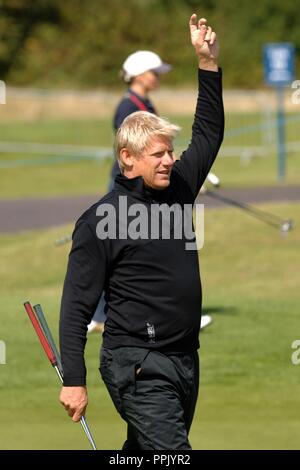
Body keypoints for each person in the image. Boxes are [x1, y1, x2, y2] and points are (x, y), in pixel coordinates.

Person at [59, 14, 224, 450]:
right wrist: (73, 380)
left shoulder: (179, 189)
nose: (169, 160)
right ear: (127, 159)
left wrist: (207, 65)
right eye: (158, 155)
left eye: (170, 152)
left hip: (185, 359)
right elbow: (77, 304)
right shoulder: (99, 220)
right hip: (136, 364)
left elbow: (208, 132)